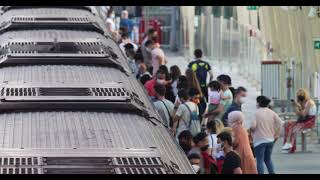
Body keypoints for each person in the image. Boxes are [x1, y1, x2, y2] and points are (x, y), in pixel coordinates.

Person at [250, 95, 283, 174]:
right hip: (270, 140)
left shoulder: (256, 113)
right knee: (268, 160)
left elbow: (253, 126)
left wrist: (251, 129)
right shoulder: (272, 112)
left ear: (258, 103)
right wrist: (277, 134)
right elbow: (280, 123)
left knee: (260, 160)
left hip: (259, 140)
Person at [282, 89, 317, 153]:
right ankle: (289, 146)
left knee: (293, 128)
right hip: (304, 120)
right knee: (287, 124)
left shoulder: (309, 102)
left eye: (301, 95)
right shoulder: (303, 102)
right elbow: (298, 114)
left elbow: (303, 114)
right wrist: (295, 106)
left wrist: (299, 107)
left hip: (310, 121)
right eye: (298, 95)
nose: (299, 97)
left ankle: (288, 144)